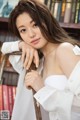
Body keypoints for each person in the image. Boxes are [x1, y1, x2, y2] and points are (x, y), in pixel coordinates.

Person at [1, 0, 80, 120]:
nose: (31, 34)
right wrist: (21, 45)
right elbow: (5, 50)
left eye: (35, 24)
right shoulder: (35, 61)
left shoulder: (64, 50)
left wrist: (42, 90)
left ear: (47, 21)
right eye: (23, 30)